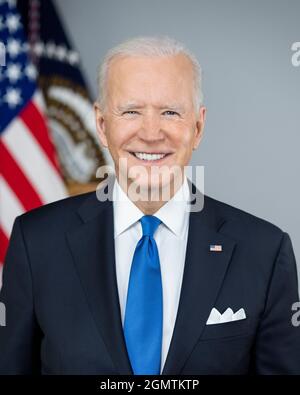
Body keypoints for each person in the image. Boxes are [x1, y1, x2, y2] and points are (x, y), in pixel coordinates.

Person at [0, 36, 299, 375]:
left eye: (170, 112)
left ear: (198, 127)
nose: (151, 132)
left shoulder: (265, 251)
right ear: (101, 124)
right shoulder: (36, 243)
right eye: (131, 111)